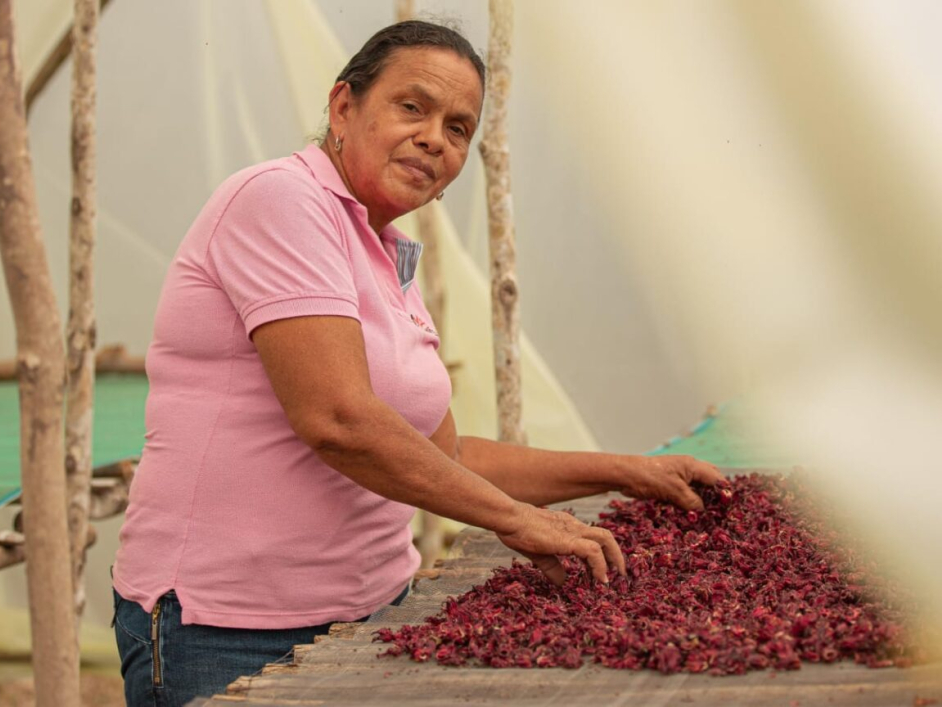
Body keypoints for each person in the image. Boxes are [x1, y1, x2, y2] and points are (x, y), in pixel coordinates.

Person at [111, 19, 724, 706]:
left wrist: (629, 472)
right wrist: (515, 519)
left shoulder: (385, 254)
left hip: (371, 612)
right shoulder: (281, 200)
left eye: (459, 128)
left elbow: (448, 458)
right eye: (413, 107)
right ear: (344, 106)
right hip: (231, 629)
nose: (436, 137)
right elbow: (338, 419)